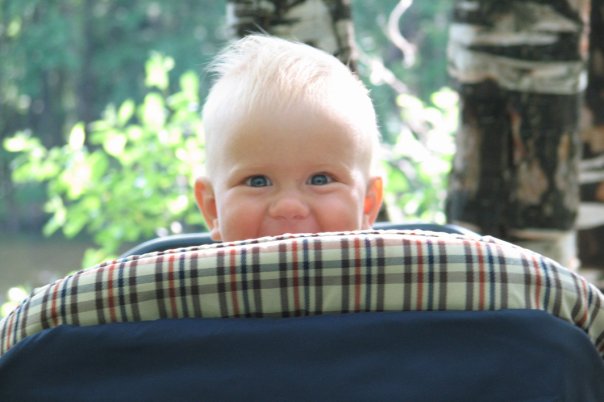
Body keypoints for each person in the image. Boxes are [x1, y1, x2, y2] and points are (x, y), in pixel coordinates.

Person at [194, 34, 383, 242]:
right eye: (257, 182)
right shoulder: (181, 264)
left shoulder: (400, 261)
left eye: (320, 179)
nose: (289, 207)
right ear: (213, 208)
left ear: (367, 204)